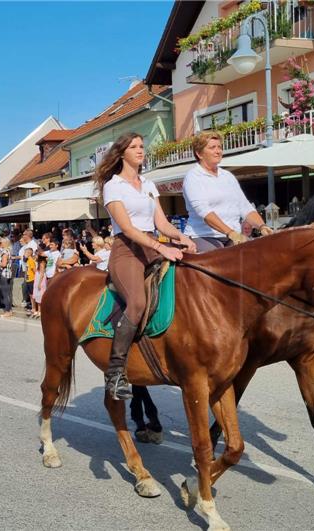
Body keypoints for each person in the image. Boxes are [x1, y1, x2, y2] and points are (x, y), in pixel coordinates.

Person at [96, 132, 196, 399]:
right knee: (138, 302)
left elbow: (161, 225)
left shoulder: (149, 185)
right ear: (122, 153)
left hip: (151, 246)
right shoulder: (113, 185)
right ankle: (116, 371)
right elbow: (128, 229)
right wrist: (163, 247)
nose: (140, 150)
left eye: (142, 145)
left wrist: (182, 237)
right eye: (134, 146)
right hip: (126, 251)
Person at [182, 131, 272, 251]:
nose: (218, 151)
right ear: (199, 154)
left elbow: (245, 207)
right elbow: (204, 212)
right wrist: (230, 233)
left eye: (219, 147)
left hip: (233, 236)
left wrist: (262, 226)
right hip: (203, 236)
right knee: (218, 262)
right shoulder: (193, 177)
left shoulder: (227, 176)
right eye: (212, 147)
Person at [0, 237, 14, 318]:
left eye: (1, 242)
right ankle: (9, 310)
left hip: (4, 274)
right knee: (8, 293)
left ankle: (7, 311)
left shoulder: (4, 252)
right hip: (9, 274)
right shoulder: (9, 251)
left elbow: (3, 264)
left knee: (5, 294)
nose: (0, 244)